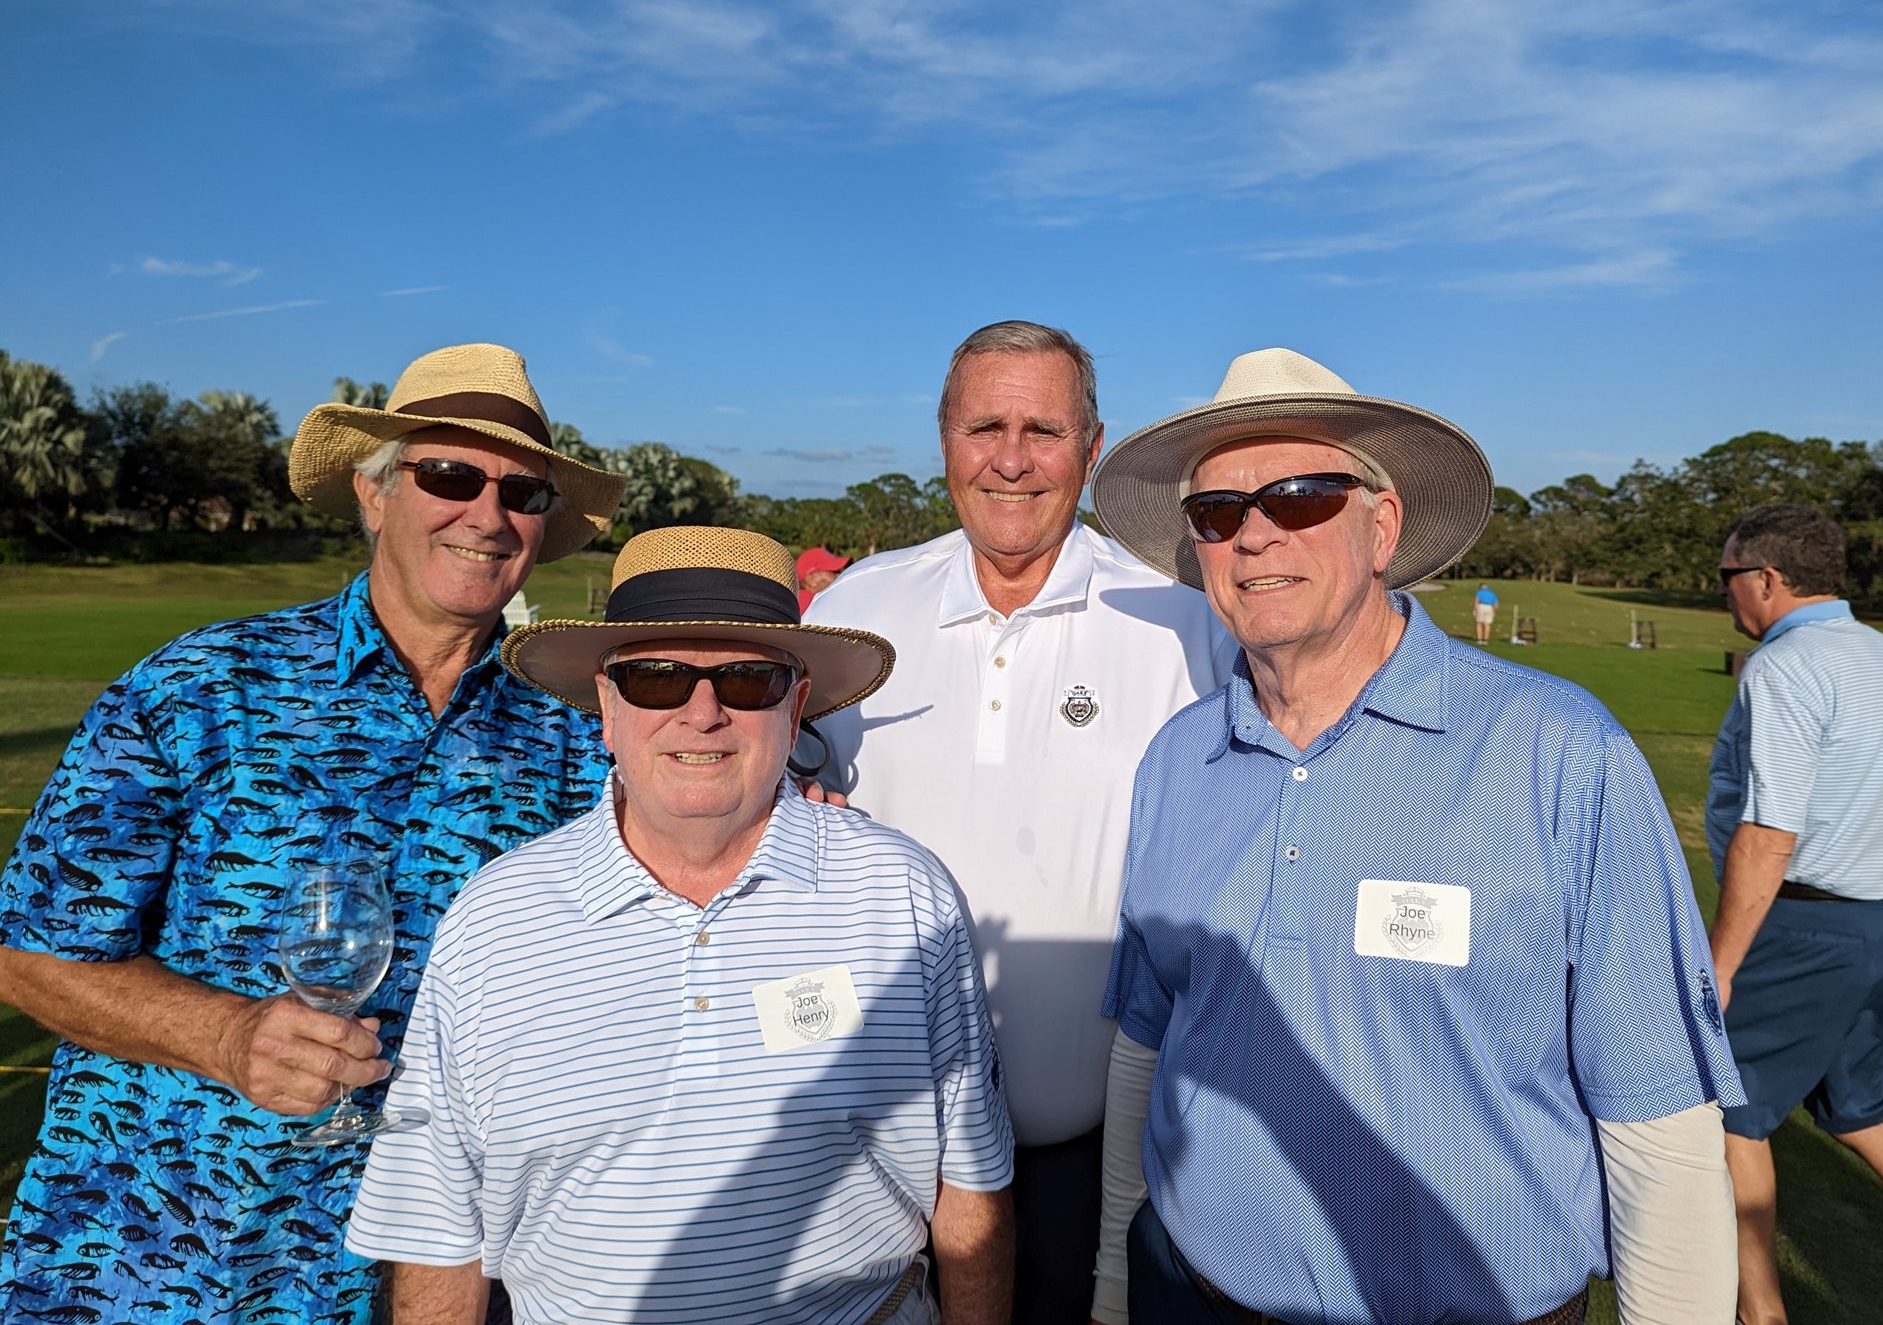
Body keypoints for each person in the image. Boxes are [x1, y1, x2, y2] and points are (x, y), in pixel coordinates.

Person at [1088, 347, 1744, 1325]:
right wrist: (1110, 1279)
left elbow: (1658, 1118)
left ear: (1380, 524)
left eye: (1301, 496)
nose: (1254, 536)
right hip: (1190, 1289)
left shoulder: (1558, 752)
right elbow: (1146, 1040)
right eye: (1217, 513)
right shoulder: (1175, 761)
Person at [0, 343, 624, 1325]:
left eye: (524, 492)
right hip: (162, 1266)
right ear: (374, 495)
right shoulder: (200, 689)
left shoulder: (576, 746)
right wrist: (226, 1033)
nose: (488, 515)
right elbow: (30, 954)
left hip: (431, 1282)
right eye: (450, 475)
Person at [346, 527, 1015, 1324]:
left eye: (748, 680)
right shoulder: (494, 917)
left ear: (797, 703)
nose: (703, 713)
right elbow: (435, 1232)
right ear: (606, 704)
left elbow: (970, 1191)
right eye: (657, 678)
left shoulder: (902, 893)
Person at [806, 321, 1235, 1323]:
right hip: (876, 1156)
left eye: (1042, 429)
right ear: (943, 441)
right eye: (982, 426)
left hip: (1095, 1164)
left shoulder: (1177, 615)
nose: (1009, 459)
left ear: (1091, 448)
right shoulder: (859, 610)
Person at [1707, 504, 1883, 1323]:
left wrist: (1719, 966)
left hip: (1811, 929)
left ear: (1765, 578)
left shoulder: (1784, 668)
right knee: (1866, 1109)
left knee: (1728, 1111)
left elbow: (1769, 832)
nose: (1727, 593)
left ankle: (1759, 1312)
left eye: (1728, 576)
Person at [796, 543, 853, 612]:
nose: (839, 575)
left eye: (840, 571)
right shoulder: (807, 606)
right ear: (811, 580)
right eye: (834, 571)